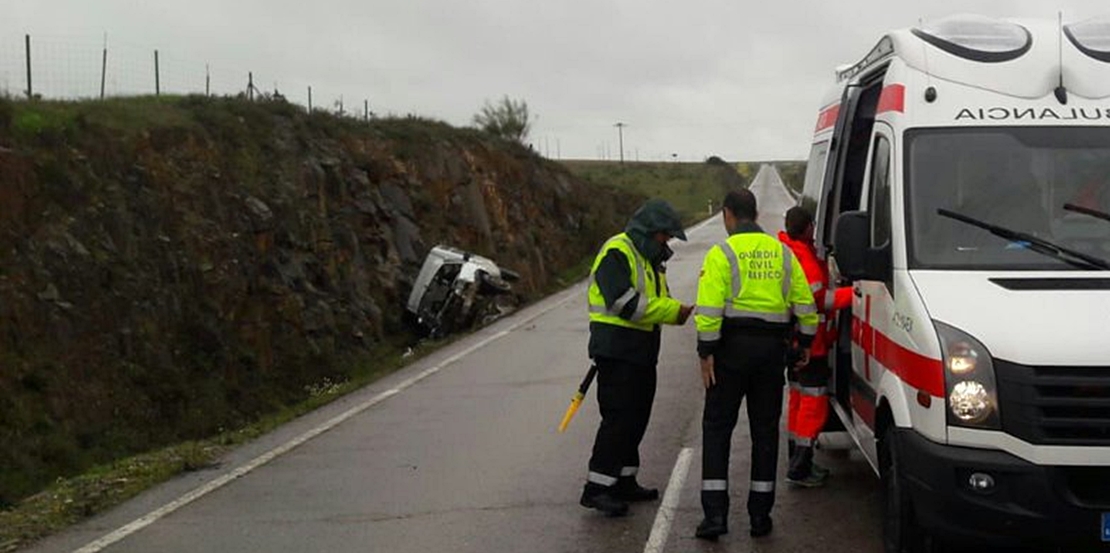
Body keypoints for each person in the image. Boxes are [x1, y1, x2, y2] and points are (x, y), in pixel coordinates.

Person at [694, 189, 817, 540]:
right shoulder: (783, 253)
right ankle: (760, 518)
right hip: (770, 355)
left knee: (717, 431)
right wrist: (804, 344)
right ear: (757, 214)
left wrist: (707, 352)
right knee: (765, 433)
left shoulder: (722, 253)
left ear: (728, 215)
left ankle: (715, 517)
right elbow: (805, 305)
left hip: (730, 353)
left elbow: (709, 309)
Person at [581, 198, 695, 517]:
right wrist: (674, 311)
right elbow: (625, 304)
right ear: (650, 230)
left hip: (641, 350)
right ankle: (597, 487)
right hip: (617, 350)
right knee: (618, 419)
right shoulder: (617, 252)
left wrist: (674, 309)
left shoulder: (648, 258)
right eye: (665, 236)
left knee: (637, 416)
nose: (667, 242)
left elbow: (659, 298)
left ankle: (624, 480)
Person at [778, 206, 853, 487]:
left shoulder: (790, 251)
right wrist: (854, 293)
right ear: (808, 227)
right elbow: (818, 301)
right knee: (813, 403)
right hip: (811, 344)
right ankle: (800, 467)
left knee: (798, 401)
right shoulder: (802, 258)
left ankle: (797, 461)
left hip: (795, 342)